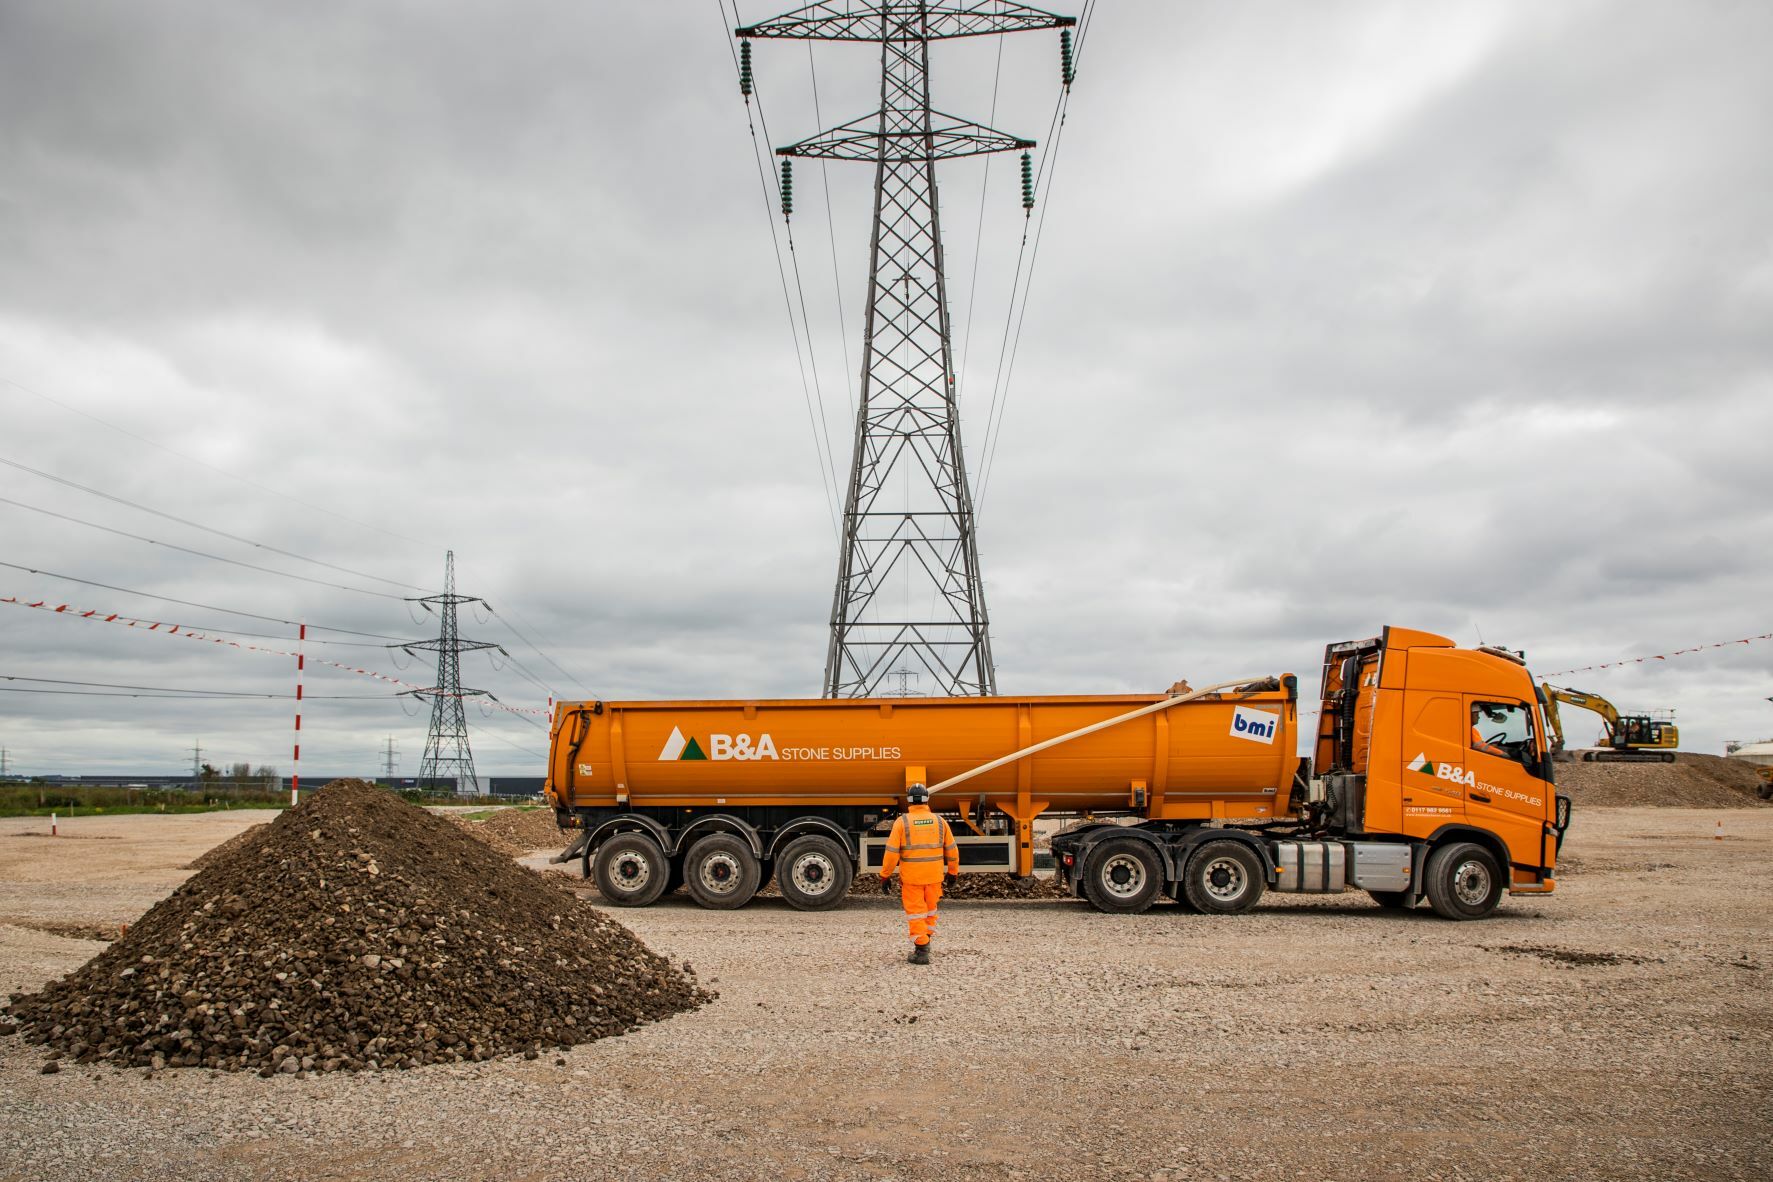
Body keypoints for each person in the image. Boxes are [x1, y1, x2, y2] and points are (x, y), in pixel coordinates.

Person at [879, 783, 959, 965]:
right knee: (930, 910)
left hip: (912, 879)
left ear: (908, 801)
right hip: (934, 877)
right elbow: (952, 850)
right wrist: (953, 872)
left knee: (916, 913)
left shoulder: (902, 822)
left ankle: (922, 950)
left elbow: (891, 853)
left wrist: (885, 875)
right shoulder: (940, 821)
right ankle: (926, 939)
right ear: (927, 799)